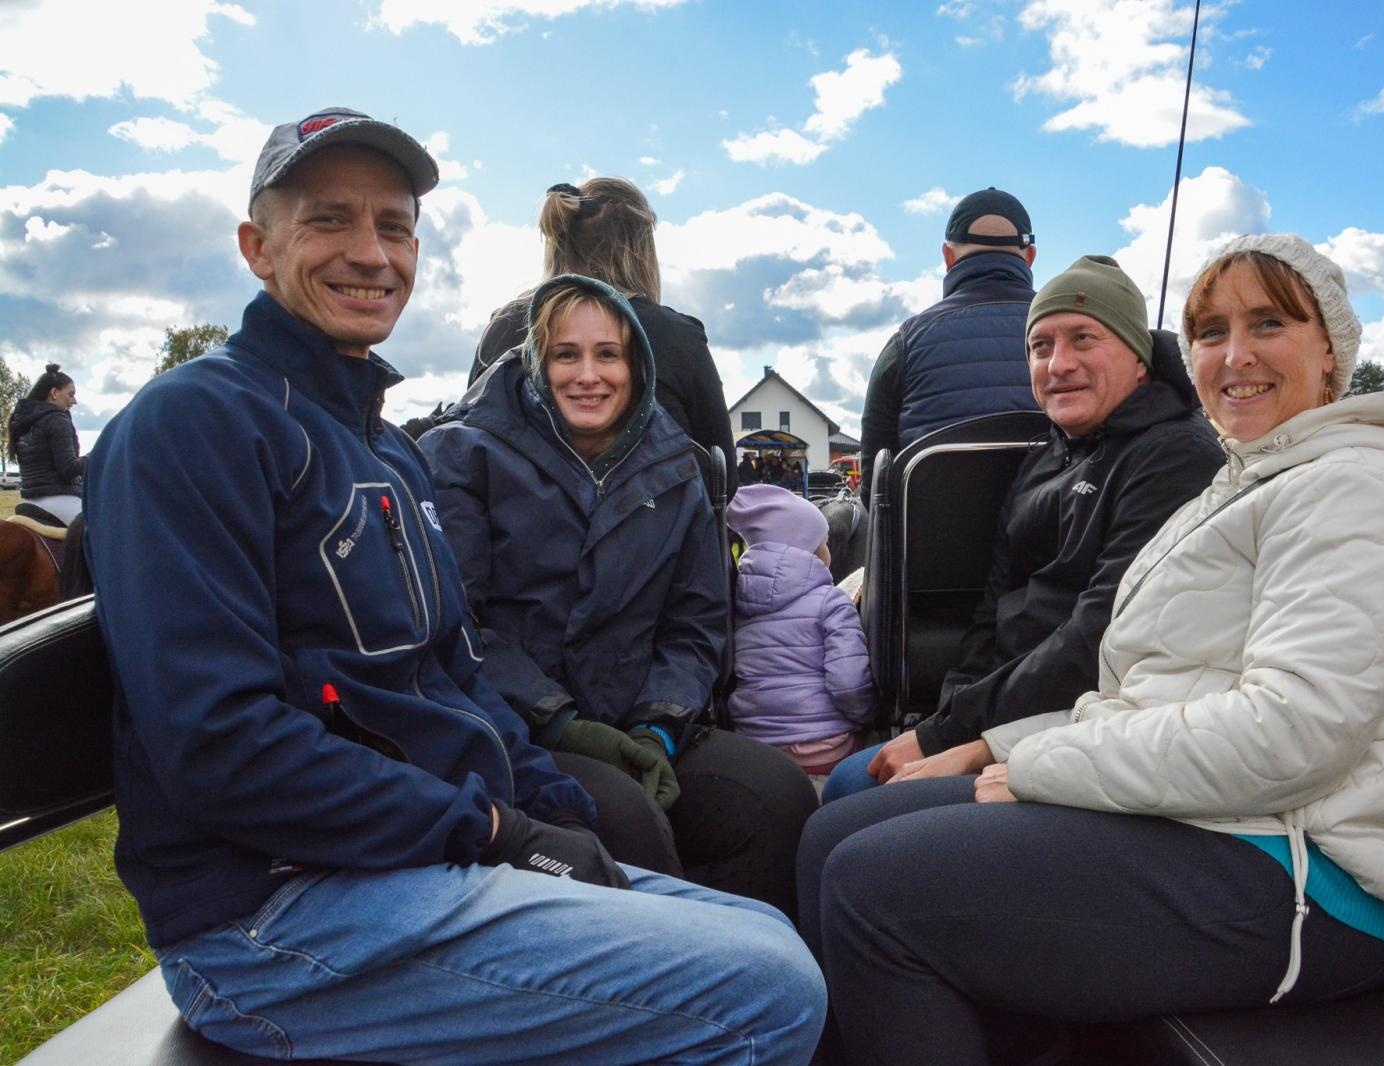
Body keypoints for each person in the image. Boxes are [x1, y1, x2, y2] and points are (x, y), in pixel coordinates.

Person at [84, 107, 823, 1064]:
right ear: (256, 248)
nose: (370, 253)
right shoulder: (195, 425)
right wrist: (490, 827)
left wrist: (554, 800)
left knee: (772, 938)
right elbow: (221, 744)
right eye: (328, 221)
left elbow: (454, 670)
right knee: (768, 993)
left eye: (393, 226)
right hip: (274, 916)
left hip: (406, 860)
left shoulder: (386, 448)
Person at [797, 234, 1384, 1065]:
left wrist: (1031, 768)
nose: (1235, 355)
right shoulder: (1252, 480)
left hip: (1319, 875)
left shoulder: (1357, 488)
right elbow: (1149, 693)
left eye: (1268, 323)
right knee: (835, 837)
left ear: (1332, 351)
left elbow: (1291, 737)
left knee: (872, 888)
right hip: (1221, 819)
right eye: (1209, 332)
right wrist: (994, 742)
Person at [422, 274, 820, 920]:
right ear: (535, 361)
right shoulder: (464, 456)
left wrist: (659, 723)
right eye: (565, 354)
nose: (588, 375)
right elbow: (458, 625)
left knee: (777, 794)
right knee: (623, 817)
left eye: (607, 354)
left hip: (637, 720)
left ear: (636, 365)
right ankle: (680, 996)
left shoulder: (674, 466)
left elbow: (696, 621)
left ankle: (775, 982)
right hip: (518, 729)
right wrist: (558, 720)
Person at [823, 255, 1224, 801]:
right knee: (850, 783)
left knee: (849, 792)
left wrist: (953, 734)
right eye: (1041, 347)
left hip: (1083, 724)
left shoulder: (1173, 458)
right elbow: (994, 611)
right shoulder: (1046, 455)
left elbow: (1098, 638)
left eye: (1084, 339)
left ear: (1139, 359)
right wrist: (949, 714)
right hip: (1002, 711)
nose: (1059, 364)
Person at [470, 177, 737, 488]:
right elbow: (722, 475)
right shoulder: (674, 336)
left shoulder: (502, 327)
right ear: (641, 250)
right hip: (652, 528)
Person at [859, 187, 1038, 496]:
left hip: (928, 541)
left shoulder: (906, 342)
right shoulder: (1079, 337)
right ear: (1030, 257)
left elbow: (873, 481)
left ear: (947, 256)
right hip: (1058, 539)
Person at [725, 484, 875, 775]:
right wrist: (867, 716)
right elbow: (849, 684)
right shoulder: (831, 602)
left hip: (756, 747)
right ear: (812, 551)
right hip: (825, 749)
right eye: (825, 542)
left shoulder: (740, 605)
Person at [8, 363, 85, 526]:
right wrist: (97, 456)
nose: (74, 401)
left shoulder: (24, 422)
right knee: (109, 531)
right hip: (60, 501)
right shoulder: (57, 419)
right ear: (54, 393)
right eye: (70, 394)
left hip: (28, 501)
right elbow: (68, 469)